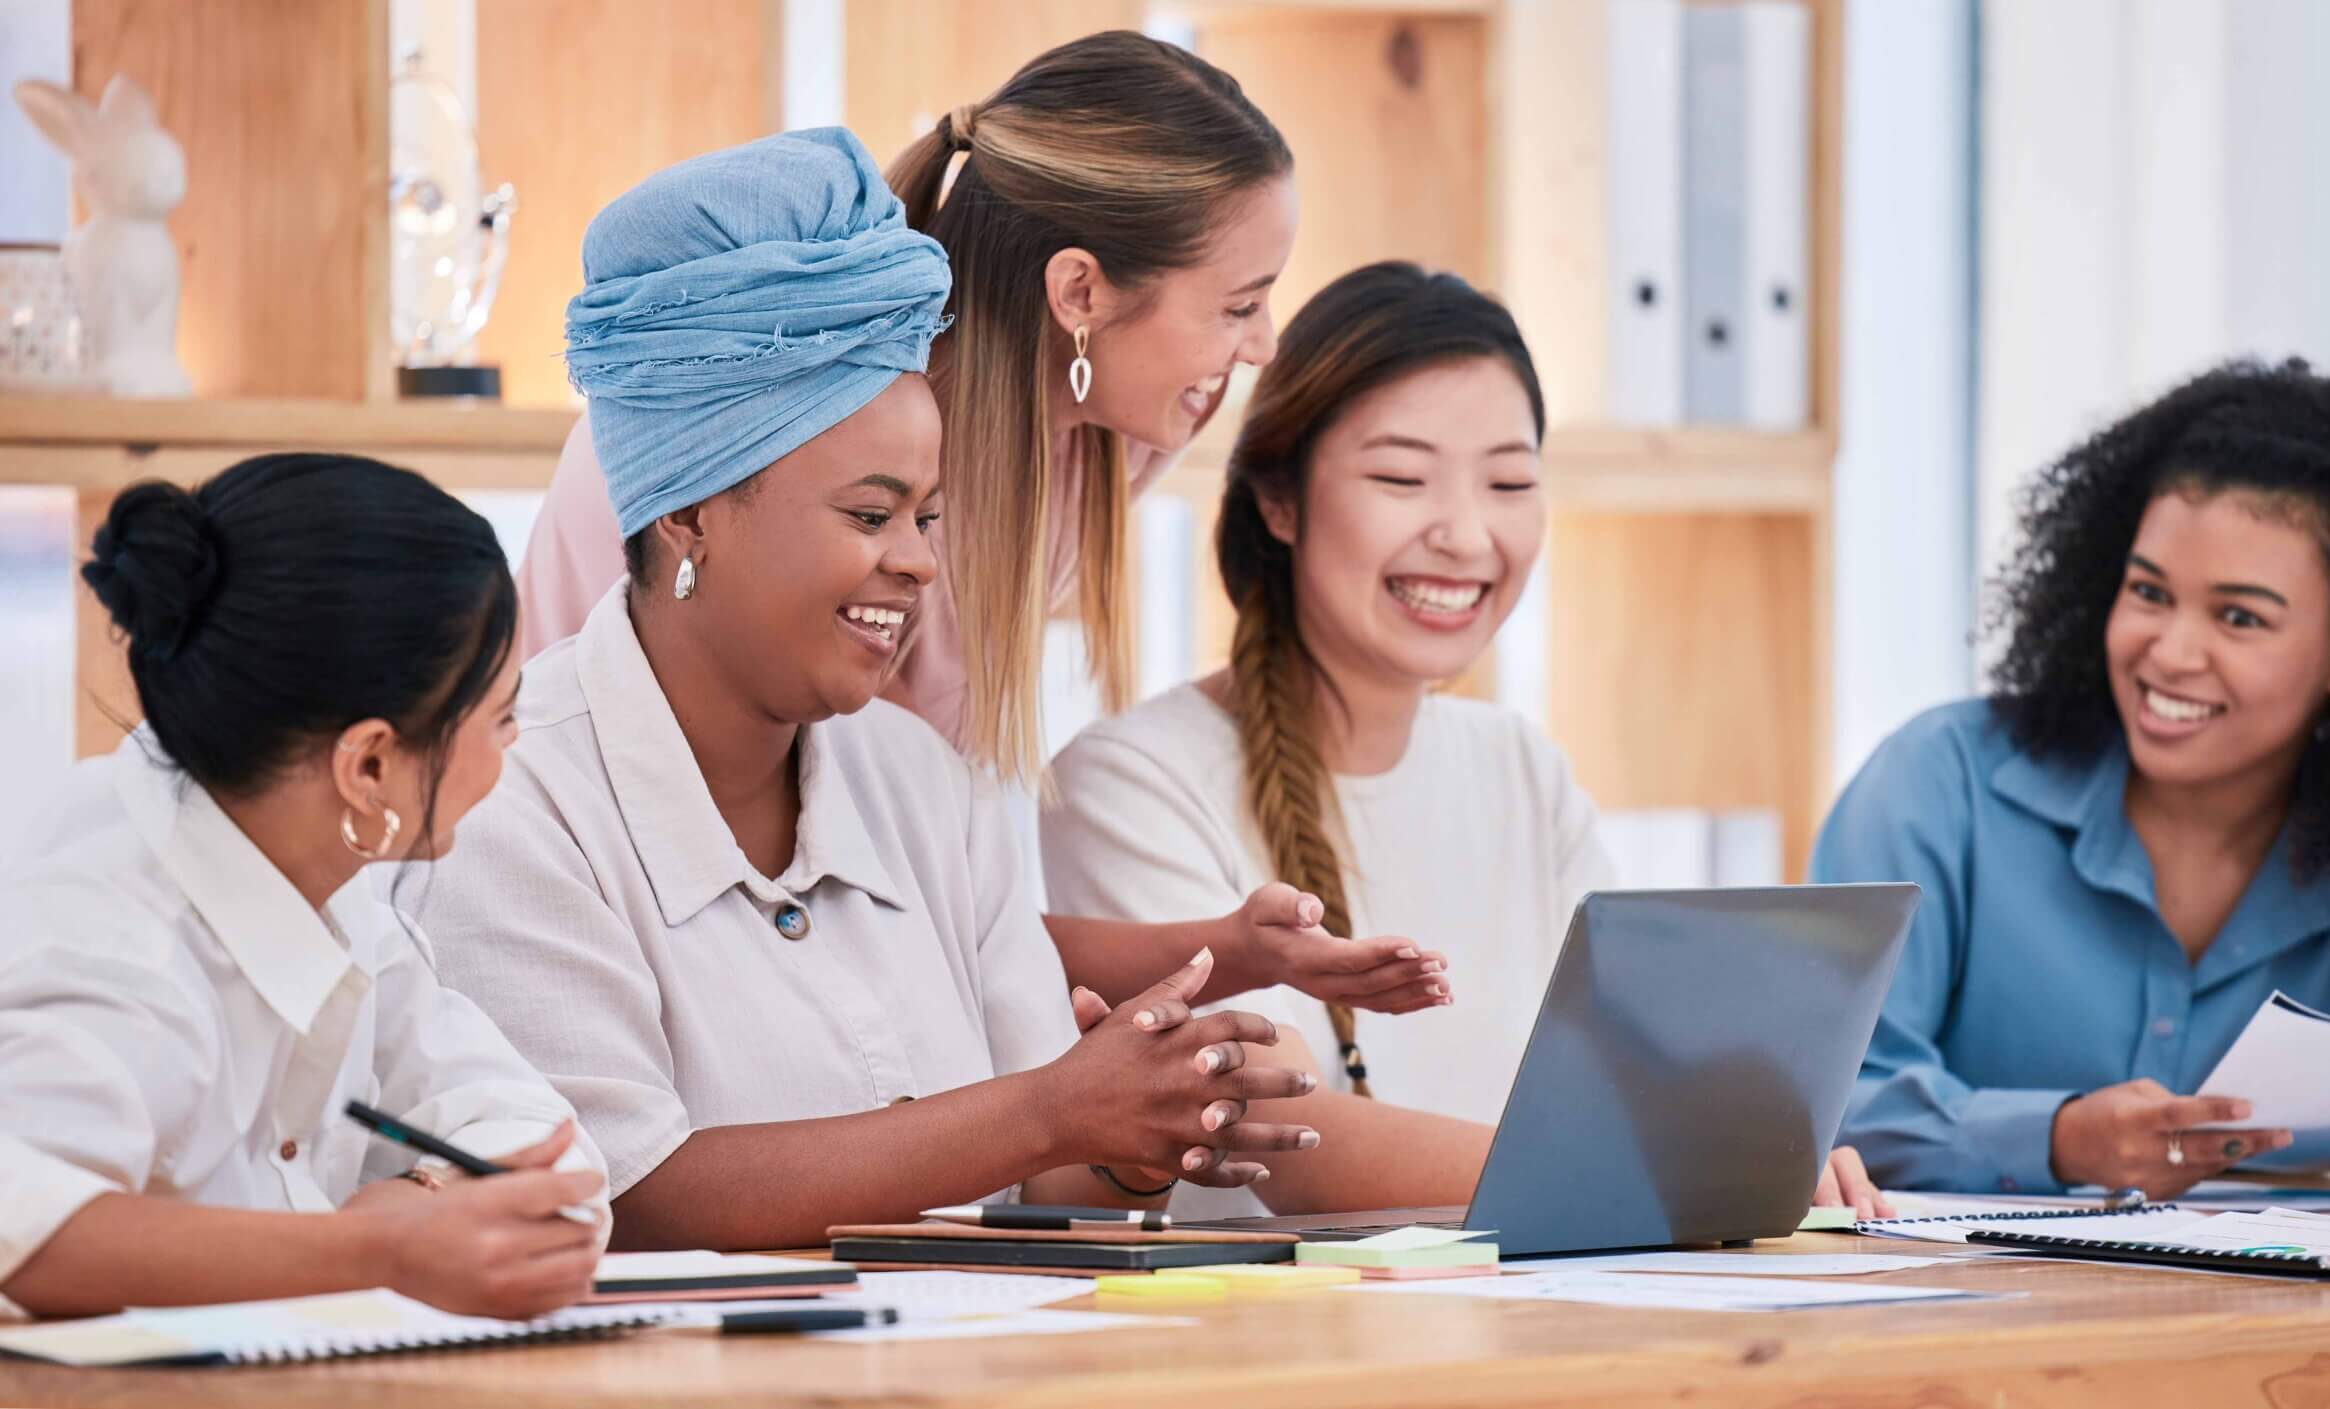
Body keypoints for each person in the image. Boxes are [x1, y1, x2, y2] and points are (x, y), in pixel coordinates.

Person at [413, 128, 1323, 1253]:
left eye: (927, 516)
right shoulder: (507, 803)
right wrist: (1053, 1109)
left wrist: (1140, 1134)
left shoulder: (929, 789)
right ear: (688, 511)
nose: (919, 562)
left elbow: (1042, 1164)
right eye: (869, 514)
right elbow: (626, 1191)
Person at [511, 31, 1438, 1025]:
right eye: (1238, 306)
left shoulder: (1107, 442)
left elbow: (935, 909)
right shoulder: (749, 457)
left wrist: (1229, 952)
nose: (1260, 346)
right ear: (1080, 292)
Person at [1042, 262, 1890, 1218]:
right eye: (1402, 477)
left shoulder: (1520, 767)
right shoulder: (1128, 781)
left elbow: (1647, 1073)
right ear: (1279, 502)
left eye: (1510, 481)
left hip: (1541, 1321)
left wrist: (1770, 1154)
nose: (1465, 532)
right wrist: (1673, 1176)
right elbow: (1275, 1132)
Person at [1815, 359, 2330, 1197]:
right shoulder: (1940, 785)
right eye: (2148, 592)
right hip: (1951, 1321)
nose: (2169, 651)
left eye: (2239, 617)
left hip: (2271, 1326)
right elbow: (1811, 1100)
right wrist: (2060, 1140)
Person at [0, 453, 610, 1321]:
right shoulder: (109, 929)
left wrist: (424, 1204)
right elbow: (24, 1229)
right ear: (368, 763)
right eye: (504, 715)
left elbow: (553, 1153)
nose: (515, 747)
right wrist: (380, 1250)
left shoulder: (319, 872)